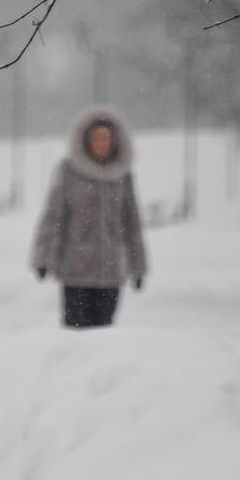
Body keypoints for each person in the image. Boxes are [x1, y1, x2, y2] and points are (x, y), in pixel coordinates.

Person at [30, 108, 148, 329]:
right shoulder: (68, 171)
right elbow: (53, 217)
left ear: (115, 141)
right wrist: (42, 257)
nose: (101, 143)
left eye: (106, 137)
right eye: (96, 137)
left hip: (111, 273)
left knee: (104, 337)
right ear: (86, 140)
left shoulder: (123, 175)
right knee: (76, 334)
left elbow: (132, 224)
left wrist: (138, 267)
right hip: (76, 272)